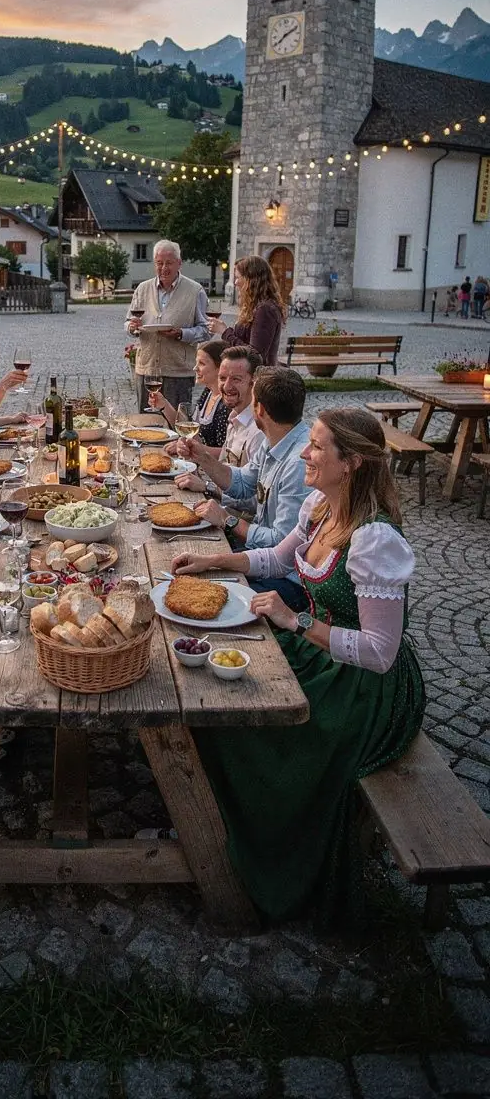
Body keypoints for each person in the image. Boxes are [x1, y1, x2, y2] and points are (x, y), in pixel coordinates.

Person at [172, 408, 425, 926]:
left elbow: (381, 651)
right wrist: (213, 562)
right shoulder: (319, 505)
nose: (305, 454)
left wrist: (294, 619)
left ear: (350, 462)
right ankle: (224, 817)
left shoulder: (376, 540)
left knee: (247, 722)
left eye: (316, 447)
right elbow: (277, 562)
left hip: (363, 688)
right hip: (319, 652)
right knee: (213, 683)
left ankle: (260, 843)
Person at [180, 365, 310, 608]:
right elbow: (242, 484)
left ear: (259, 408)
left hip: (291, 582)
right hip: (261, 557)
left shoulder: (299, 463)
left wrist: (228, 521)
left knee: (203, 597)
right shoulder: (277, 439)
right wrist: (202, 458)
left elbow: (280, 545)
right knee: (188, 559)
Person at [125, 240, 209, 410]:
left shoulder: (195, 291)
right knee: (146, 425)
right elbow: (128, 322)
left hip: (178, 372)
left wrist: (182, 334)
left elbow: (207, 329)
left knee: (175, 425)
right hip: (146, 370)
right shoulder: (142, 289)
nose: (164, 268)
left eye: (169, 263)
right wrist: (132, 327)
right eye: (159, 263)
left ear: (179, 263)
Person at [174, 345, 265, 496]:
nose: (227, 386)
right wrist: (199, 454)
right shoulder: (234, 418)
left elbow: (254, 499)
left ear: (253, 382)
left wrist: (206, 487)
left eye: (236, 379)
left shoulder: (259, 431)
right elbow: (224, 467)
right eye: (222, 378)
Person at [149, 339, 230, 454]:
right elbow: (187, 428)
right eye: (196, 363)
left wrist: (191, 448)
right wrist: (164, 405)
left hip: (210, 469)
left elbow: (226, 454)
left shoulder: (226, 404)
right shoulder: (208, 392)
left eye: (202, 364)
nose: (195, 368)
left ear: (220, 368)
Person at [208, 255, 285, 366]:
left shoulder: (265, 309)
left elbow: (255, 354)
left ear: (251, 280)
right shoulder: (255, 306)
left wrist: (225, 332)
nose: (235, 283)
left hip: (257, 376)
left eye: (238, 277)